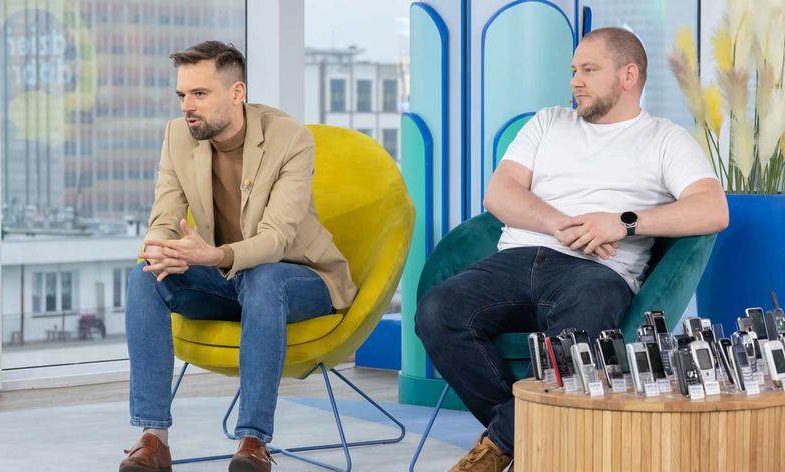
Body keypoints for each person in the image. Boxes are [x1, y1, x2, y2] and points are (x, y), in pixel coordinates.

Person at [415, 27, 729, 472]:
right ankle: (527, 439)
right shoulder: (547, 122)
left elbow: (713, 209)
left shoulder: (666, 138)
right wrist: (559, 224)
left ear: (628, 75)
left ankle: (498, 447)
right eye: (574, 70)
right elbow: (499, 194)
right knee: (437, 310)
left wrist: (621, 223)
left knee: (583, 319)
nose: (574, 81)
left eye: (589, 70)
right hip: (516, 259)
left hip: (598, 272)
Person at [118, 41, 357, 472]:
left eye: (199, 93)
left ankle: (253, 442)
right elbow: (164, 215)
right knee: (145, 276)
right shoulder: (177, 135)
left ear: (237, 92)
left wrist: (214, 255)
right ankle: (153, 439)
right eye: (182, 95)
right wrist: (160, 249)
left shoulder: (290, 140)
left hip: (303, 278)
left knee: (265, 277)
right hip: (228, 279)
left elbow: (277, 239)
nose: (187, 106)